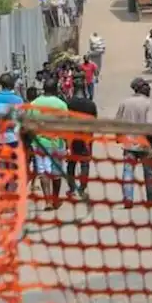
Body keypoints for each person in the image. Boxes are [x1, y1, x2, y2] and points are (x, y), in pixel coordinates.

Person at [115, 78, 152, 208]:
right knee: (149, 171)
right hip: (145, 144)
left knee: (128, 171)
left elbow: (118, 122)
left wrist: (119, 137)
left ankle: (128, 198)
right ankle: (151, 199)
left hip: (128, 144)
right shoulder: (149, 103)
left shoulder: (124, 102)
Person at [29, 77, 69, 209]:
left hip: (39, 143)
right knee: (56, 172)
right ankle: (55, 199)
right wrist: (68, 145)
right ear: (55, 89)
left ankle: (47, 201)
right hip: (56, 143)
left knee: (43, 172)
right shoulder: (61, 104)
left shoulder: (34, 103)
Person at [64, 85, 98, 199]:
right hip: (86, 137)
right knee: (85, 164)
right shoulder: (91, 104)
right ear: (85, 92)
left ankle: (72, 188)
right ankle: (82, 189)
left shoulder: (68, 103)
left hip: (71, 137)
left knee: (71, 164)